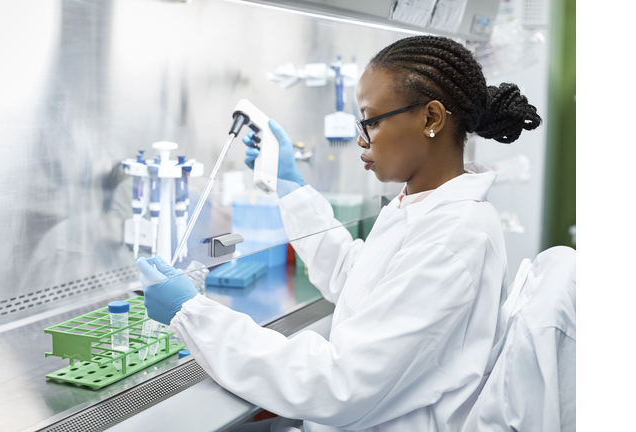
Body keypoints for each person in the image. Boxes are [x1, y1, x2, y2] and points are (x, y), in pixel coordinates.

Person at [136, 35, 542, 432]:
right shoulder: (420, 206)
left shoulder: (455, 235)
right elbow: (358, 278)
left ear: (431, 118)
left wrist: (191, 314)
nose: (361, 140)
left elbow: (341, 385)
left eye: (372, 121)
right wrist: (291, 188)